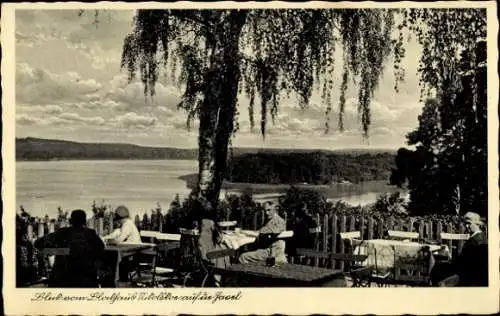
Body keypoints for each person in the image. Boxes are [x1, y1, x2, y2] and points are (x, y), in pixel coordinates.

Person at [34, 209, 105, 287]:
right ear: (84, 221)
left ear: (71, 220)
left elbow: (38, 243)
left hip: (62, 279)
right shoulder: (91, 235)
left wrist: (59, 251)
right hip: (86, 280)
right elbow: (100, 250)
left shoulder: (61, 233)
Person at [435, 212, 488, 287]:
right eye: (465, 224)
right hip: (467, 275)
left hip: (469, 278)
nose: (466, 226)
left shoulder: (476, 241)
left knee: (441, 283)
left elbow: (469, 266)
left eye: (469, 223)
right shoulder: (479, 237)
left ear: (477, 224)